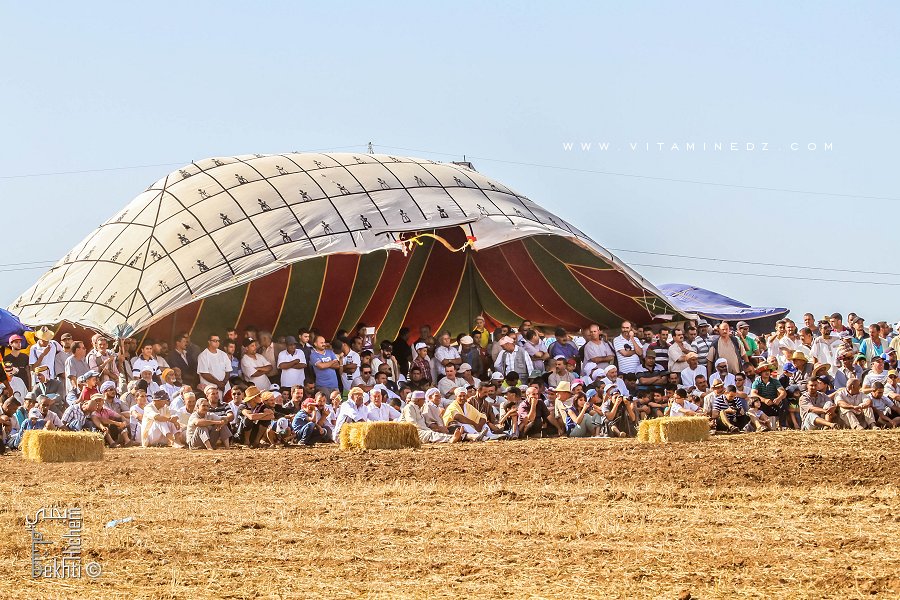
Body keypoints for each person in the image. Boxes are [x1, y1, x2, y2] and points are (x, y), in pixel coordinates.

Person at [750, 362, 786, 430]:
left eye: (768, 371)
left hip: (774, 403)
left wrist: (778, 398)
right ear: (760, 373)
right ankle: (761, 426)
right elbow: (753, 394)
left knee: (784, 401)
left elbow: (783, 392)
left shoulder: (775, 381)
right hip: (762, 405)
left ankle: (782, 425)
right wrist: (764, 400)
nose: (767, 372)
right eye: (764, 371)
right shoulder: (756, 382)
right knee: (754, 403)